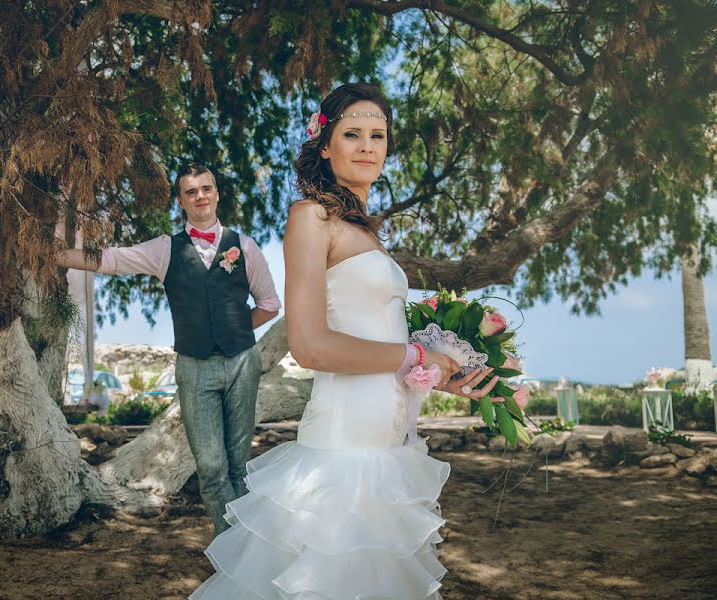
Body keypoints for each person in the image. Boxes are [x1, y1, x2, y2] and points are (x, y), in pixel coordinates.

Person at [190, 84, 497, 599]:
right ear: (325, 144)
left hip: (385, 460)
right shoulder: (310, 217)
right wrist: (420, 354)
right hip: (339, 464)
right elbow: (309, 345)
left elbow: (382, 351)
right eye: (351, 133)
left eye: (377, 135)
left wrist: (444, 376)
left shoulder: (372, 236)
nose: (367, 145)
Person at [57, 164, 281, 536]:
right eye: (191, 192)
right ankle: (232, 546)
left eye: (206, 188)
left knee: (239, 464)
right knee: (210, 466)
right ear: (181, 201)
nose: (200, 196)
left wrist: (234, 332)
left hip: (243, 361)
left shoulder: (244, 247)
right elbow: (112, 260)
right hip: (194, 368)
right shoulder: (165, 249)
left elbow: (270, 304)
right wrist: (56, 256)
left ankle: (250, 548)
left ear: (217, 193)